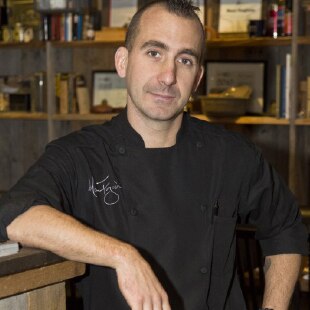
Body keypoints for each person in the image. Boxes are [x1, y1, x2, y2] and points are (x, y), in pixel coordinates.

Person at [0, 1, 308, 309]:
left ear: (198, 78)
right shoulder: (80, 155)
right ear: (122, 62)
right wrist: (122, 255)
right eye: (154, 53)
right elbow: (15, 216)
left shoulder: (230, 154)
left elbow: (285, 226)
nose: (168, 76)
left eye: (185, 60)